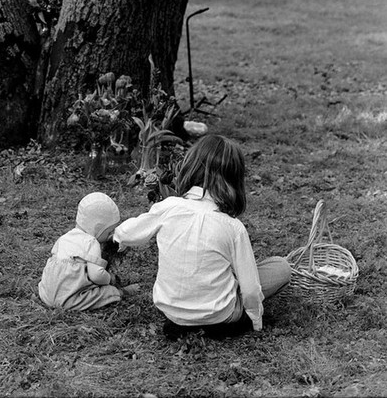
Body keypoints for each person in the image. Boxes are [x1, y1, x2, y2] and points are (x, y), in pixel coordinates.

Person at [112, 134, 291, 339]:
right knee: (280, 266)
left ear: (190, 167)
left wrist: (116, 237)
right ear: (235, 179)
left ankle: (193, 315)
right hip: (221, 316)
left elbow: (128, 232)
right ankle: (221, 314)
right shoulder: (233, 227)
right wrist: (255, 319)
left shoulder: (168, 207)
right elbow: (250, 290)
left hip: (172, 312)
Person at [38, 191, 123, 311]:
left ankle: (49, 296)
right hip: (69, 299)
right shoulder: (91, 242)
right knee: (107, 291)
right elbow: (97, 275)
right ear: (98, 228)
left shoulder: (65, 238)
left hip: (46, 295)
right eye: (109, 231)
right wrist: (109, 278)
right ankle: (120, 293)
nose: (111, 235)